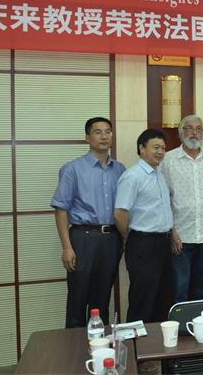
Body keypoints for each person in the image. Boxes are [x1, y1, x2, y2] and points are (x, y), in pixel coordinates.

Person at [51, 117, 126, 328]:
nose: (104, 136)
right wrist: (67, 247)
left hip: (111, 238)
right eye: (98, 132)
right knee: (78, 297)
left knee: (102, 298)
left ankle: (100, 345)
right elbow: (61, 209)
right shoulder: (73, 169)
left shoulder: (120, 170)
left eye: (108, 131)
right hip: (82, 238)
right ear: (87, 137)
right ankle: (73, 347)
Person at [114, 129, 174, 323]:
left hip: (163, 243)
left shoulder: (158, 174)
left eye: (163, 148)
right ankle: (136, 341)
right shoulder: (133, 176)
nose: (160, 152)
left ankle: (156, 341)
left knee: (161, 298)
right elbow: (120, 213)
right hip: (143, 243)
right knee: (143, 300)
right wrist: (129, 237)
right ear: (142, 148)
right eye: (156, 147)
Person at [161, 115, 203, 304]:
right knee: (180, 288)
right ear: (181, 132)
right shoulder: (168, 159)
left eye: (198, 129)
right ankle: (180, 323)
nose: (194, 132)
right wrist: (172, 231)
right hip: (181, 236)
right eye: (189, 128)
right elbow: (163, 199)